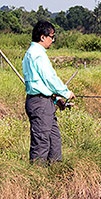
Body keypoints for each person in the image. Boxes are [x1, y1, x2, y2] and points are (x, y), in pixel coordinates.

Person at [22, 21, 74, 164]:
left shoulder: (33, 53)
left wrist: (57, 100)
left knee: (54, 139)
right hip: (40, 103)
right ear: (42, 37)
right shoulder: (37, 54)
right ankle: (38, 178)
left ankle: (55, 173)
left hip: (45, 101)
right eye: (52, 36)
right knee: (41, 143)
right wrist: (65, 92)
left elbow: (41, 83)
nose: (53, 40)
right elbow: (49, 78)